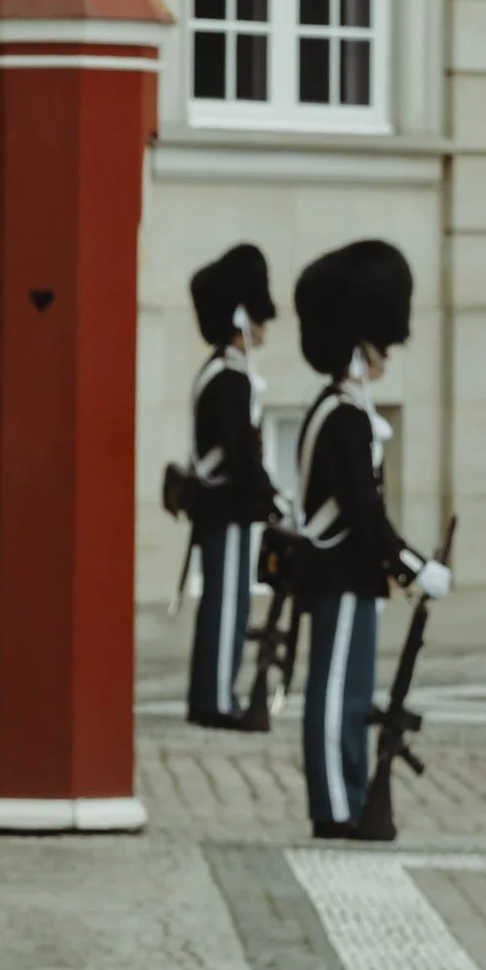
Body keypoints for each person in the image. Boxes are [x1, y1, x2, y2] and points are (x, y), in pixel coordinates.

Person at [288, 239, 451, 834]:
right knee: (336, 697)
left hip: (349, 575)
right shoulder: (345, 415)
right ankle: (335, 808)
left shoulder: (347, 410)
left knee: (353, 696)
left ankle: (350, 799)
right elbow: (362, 511)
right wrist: (411, 566)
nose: (386, 355)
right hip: (340, 573)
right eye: (379, 346)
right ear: (359, 348)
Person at [183, 243, 280, 728]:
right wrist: (270, 497)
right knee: (227, 606)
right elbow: (240, 453)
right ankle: (215, 699)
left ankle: (214, 693)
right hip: (227, 506)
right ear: (241, 318)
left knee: (229, 601)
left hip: (224, 505)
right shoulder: (230, 378)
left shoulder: (226, 373)